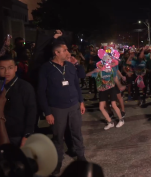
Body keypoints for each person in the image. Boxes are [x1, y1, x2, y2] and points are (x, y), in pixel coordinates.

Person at [37, 40, 86, 175]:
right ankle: (57, 162)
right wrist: (47, 112)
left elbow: (77, 84)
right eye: (65, 50)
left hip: (74, 105)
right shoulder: (46, 68)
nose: (68, 52)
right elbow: (41, 91)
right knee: (58, 137)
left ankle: (81, 157)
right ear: (56, 53)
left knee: (77, 132)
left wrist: (81, 101)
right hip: (57, 108)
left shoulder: (69, 66)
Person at [0, 55, 37, 147]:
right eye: (2, 68)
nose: (6, 72)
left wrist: (27, 135)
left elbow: (31, 112)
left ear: (15, 68)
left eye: (10, 68)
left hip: (17, 135)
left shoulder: (25, 87)